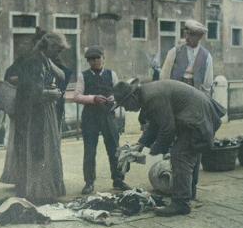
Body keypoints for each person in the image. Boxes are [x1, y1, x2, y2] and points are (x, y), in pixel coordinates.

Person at [113, 79, 223, 216]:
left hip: (197, 117)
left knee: (180, 154)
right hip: (197, 113)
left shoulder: (152, 97)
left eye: (125, 104)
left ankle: (181, 203)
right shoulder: (147, 94)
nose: (126, 109)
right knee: (190, 150)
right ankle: (189, 192)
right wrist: (141, 144)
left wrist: (153, 152)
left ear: (133, 97)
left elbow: (167, 129)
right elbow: (156, 123)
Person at [160, 18, 213, 202]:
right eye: (187, 33)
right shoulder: (174, 52)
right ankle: (178, 188)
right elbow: (164, 77)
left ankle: (192, 190)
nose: (189, 37)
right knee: (178, 144)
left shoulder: (206, 56)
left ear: (200, 36)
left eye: (193, 34)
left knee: (195, 144)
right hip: (177, 99)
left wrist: (204, 106)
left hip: (196, 101)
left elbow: (207, 85)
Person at [13, 32, 69, 203]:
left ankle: (43, 188)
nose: (59, 55)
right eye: (57, 50)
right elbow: (34, 93)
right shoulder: (35, 61)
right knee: (39, 149)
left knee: (46, 148)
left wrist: (51, 64)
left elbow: (62, 76)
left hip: (43, 110)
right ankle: (38, 190)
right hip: (36, 112)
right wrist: (52, 93)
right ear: (49, 47)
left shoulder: (44, 59)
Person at [73, 45, 130, 195]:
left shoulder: (112, 74)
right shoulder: (82, 75)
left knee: (114, 149)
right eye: (91, 59)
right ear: (88, 62)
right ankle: (89, 182)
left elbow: (119, 93)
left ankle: (118, 179)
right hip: (90, 117)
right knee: (90, 151)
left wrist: (113, 98)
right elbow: (76, 96)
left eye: (98, 58)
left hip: (108, 116)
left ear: (103, 59)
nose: (95, 61)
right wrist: (93, 98)